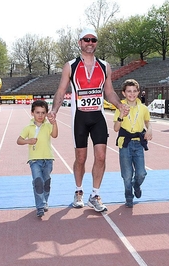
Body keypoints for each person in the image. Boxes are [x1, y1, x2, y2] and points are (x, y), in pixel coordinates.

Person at [47, 28, 129, 212]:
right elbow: (61, 90)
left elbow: (109, 91)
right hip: (80, 118)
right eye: (86, 40)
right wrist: (54, 110)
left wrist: (119, 105)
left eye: (93, 40)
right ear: (80, 43)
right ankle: (78, 191)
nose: (90, 43)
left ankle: (95, 194)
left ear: (96, 43)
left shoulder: (105, 66)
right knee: (81, 157)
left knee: (101, 156)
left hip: (97, 116)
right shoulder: (70, 66)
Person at [113, 79, 152, 208]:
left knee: (141, 173)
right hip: (125, 143)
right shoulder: (120, 107)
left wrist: (149, 129)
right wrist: (121, 116)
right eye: (129, 91)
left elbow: (147, 121)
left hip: (138, 144)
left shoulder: (143, 108)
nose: (132, 94)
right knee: (127, 174)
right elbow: (116, 128)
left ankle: (136, 184)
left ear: (138, 92)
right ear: (124, 93)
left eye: (135, 91)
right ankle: (128, 195)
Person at [17, 100, 58, 218]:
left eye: (43, 113)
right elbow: (19, 140)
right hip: (34, 160)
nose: (40, 115)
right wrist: (27, 141)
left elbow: (55, 135)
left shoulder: (48, 125)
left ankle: (45, 201)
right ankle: (40, 206)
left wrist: (54, 123)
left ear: (46, 114)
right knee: (38, 181)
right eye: (37, 112)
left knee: (46, 182)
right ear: (32, 113)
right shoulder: (28, 127)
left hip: (48, 159)